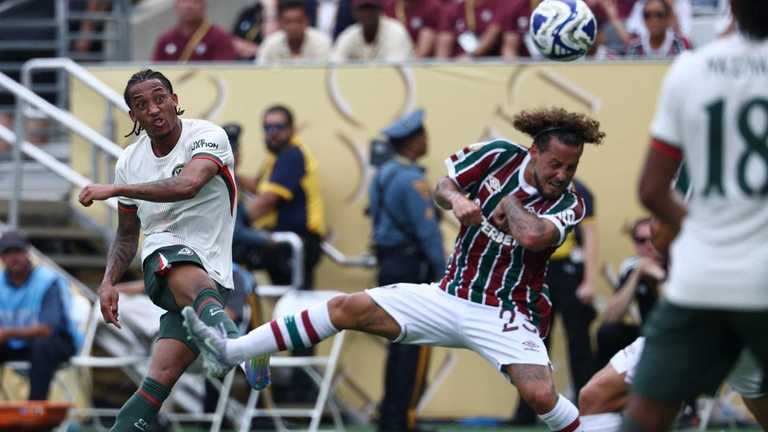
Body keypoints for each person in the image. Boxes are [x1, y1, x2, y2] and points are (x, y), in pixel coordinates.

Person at [184, 107, 606, 432]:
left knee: (539, 393)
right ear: (534, 151)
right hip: (450, 294)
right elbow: (445, 185)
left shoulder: (570, 202)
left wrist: (509, 199)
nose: (563, 175)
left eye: (572, 167)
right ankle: (232, 352)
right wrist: (457, 201)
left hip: (508, 314)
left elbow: (533, 236)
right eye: (556, 164)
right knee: (348, 307)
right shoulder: (497, 154)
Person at [77, 69, 266, 431]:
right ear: (133, 116)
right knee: (171, 255)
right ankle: (236, 345)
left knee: (157, 382)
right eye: (140, 104)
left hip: (213, 278)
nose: (153, 108)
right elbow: (127, 235)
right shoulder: (129, 162)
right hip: (164, 261)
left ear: (175, 100)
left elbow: (188, 184)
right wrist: (107, 282)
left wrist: (115, 191)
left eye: (160, 97)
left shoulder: (208, 136)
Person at [623, 0, 768, 429]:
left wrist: (707, 227)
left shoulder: (691, 69)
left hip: (704, 277)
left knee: (646, 414)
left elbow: (651, 190)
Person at [370, 109, 445, 432]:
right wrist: (444, 275)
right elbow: (428, 232)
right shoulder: (413, 180)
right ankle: (405, 418)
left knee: (396, 342)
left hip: (389, 263)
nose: (427, 140)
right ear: (412, 143)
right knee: (414, 344)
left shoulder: (382, 175)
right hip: (411, 265)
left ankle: (391, 416)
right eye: (423, 135)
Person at [510, 178, 599, 426]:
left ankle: (589, 410)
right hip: (537, 272)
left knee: (579, 342)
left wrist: (590, 281)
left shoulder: (581, 191)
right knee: (533, 344)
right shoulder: (528, 189)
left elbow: (590, 236)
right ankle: (525, 413)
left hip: (570, 272)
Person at [247, 105, 326, 290]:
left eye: (279, 127)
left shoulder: (292, 155)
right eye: (267, 128)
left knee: (293, 307)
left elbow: (268, 199)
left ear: (292, 129)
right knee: (283, 303)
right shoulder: (275, 158)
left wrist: (235, 224)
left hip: (296, 244)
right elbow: (259, 187)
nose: (273, 133)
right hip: (283, 244)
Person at [0, 231, 81, 401]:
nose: (14, 257)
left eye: (18, 251)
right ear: (1, 257)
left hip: (58, 342)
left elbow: (47, 329)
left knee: (42, 345)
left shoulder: (47, 281)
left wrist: (7, 333)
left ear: (27, 253)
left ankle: (35, 409)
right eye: (8, 253)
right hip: (17, 345)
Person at [595, 217, 663, 367]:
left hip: (678, 334)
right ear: (634, 244)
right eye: (641, 240)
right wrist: (637, 275)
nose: (649, 245)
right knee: (607, 333)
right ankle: (609, 387)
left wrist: (659, 276)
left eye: (654, 238)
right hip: (646, 334)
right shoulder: (633, 266)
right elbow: (611, 316)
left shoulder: (677, 261)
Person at [222, 123, 275, 270]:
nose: (236, 155)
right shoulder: (219, 185)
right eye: (232, 150)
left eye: (236, 150)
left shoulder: (235, 181)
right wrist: (266, 239)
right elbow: (234, 230)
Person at [152, 0, 238, 62]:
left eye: (195, 1)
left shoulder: (220, 38)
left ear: (203, 5)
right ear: (176, 5)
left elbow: (224, 71)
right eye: (184, 1)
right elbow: (155, 72)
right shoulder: (166, 39)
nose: (189, 6)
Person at [331, 0, 413, 62]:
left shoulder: (395, 31)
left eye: (371, 8)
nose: (367, 13)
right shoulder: (349, 35)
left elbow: (393, 71)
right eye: (362, 9)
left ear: (380, 10)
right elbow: (335, 64)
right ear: (354, 12)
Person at [257, 0, 332, 64]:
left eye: (298, 21)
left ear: (307, 21)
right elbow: (259, 73)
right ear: (280, 23)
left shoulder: (322, 43)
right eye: (288, 22)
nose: (294, 27)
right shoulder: (270, 44)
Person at [435, 0, 503, 59]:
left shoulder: (497, 5)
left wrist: (471, 56)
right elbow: (445, 39)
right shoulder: (453, 9)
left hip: (486, 62)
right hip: (455, 62)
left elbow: (492, 34)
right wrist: (440, 64)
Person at [625, 0, 690, 58]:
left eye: (659, 15)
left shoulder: (679, 44)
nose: (653, 20)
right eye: (647, 15)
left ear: (668, 18)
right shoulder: (635, 46)